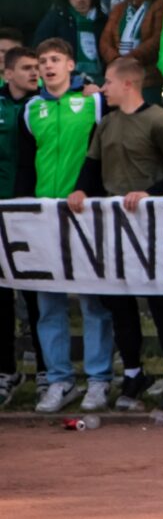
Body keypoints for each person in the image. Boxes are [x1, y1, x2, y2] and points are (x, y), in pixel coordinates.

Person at [68, 57, 163, 411]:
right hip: (114, 221)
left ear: (127, 83)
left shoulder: (160, 121)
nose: (103, 88)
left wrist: (151, 193)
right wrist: (81, 190)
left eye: (108, 82)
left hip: (150, 222)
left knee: (159, 299)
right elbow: (93, 165)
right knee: (118, 299)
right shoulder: (107, 123)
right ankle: (134, 371)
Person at [24, 38, 113, 413]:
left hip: (86, 210)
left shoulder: (95, 102)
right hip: (45, 213)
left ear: (71, 65)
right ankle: (60, 381)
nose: (48, 66)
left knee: (92, 300)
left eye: (55, 59)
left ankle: (99, 380)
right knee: (49, 303)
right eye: (42, 61)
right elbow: (28, 158)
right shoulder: (31, 108)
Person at [0, 44, 39, 407]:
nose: (34, 72)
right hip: (0, 208)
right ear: (7, 73)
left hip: (32, 211)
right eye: (26, 68)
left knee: (37, 294)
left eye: (37, 66)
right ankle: (5, 371)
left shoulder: (45, 105)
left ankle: (46, 371)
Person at [34, 0, 106, 80]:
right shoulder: (56, 18)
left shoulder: (102, 20)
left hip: (101, 76)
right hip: (65, 76)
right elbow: (39, 46)